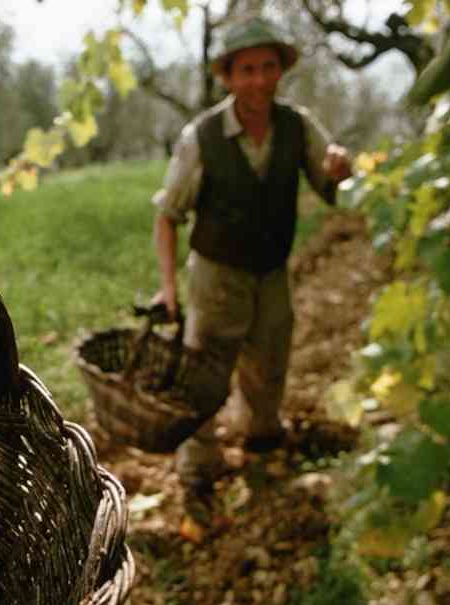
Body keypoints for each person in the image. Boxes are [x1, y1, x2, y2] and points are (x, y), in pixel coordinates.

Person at [150, 15, 353, 528]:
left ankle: (263, 442)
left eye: (268, 68)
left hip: (272, 271)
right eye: (246, 70)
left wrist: (339, 171)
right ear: (228, 76)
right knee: (205, 374)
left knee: (270, 361)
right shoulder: (202, 136)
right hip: (217, 277)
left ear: (280, 71)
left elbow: (329, 181)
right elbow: (167, 216)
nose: (259, 80)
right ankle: (199, 466)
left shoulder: (297, 125)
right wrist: (170, 288)